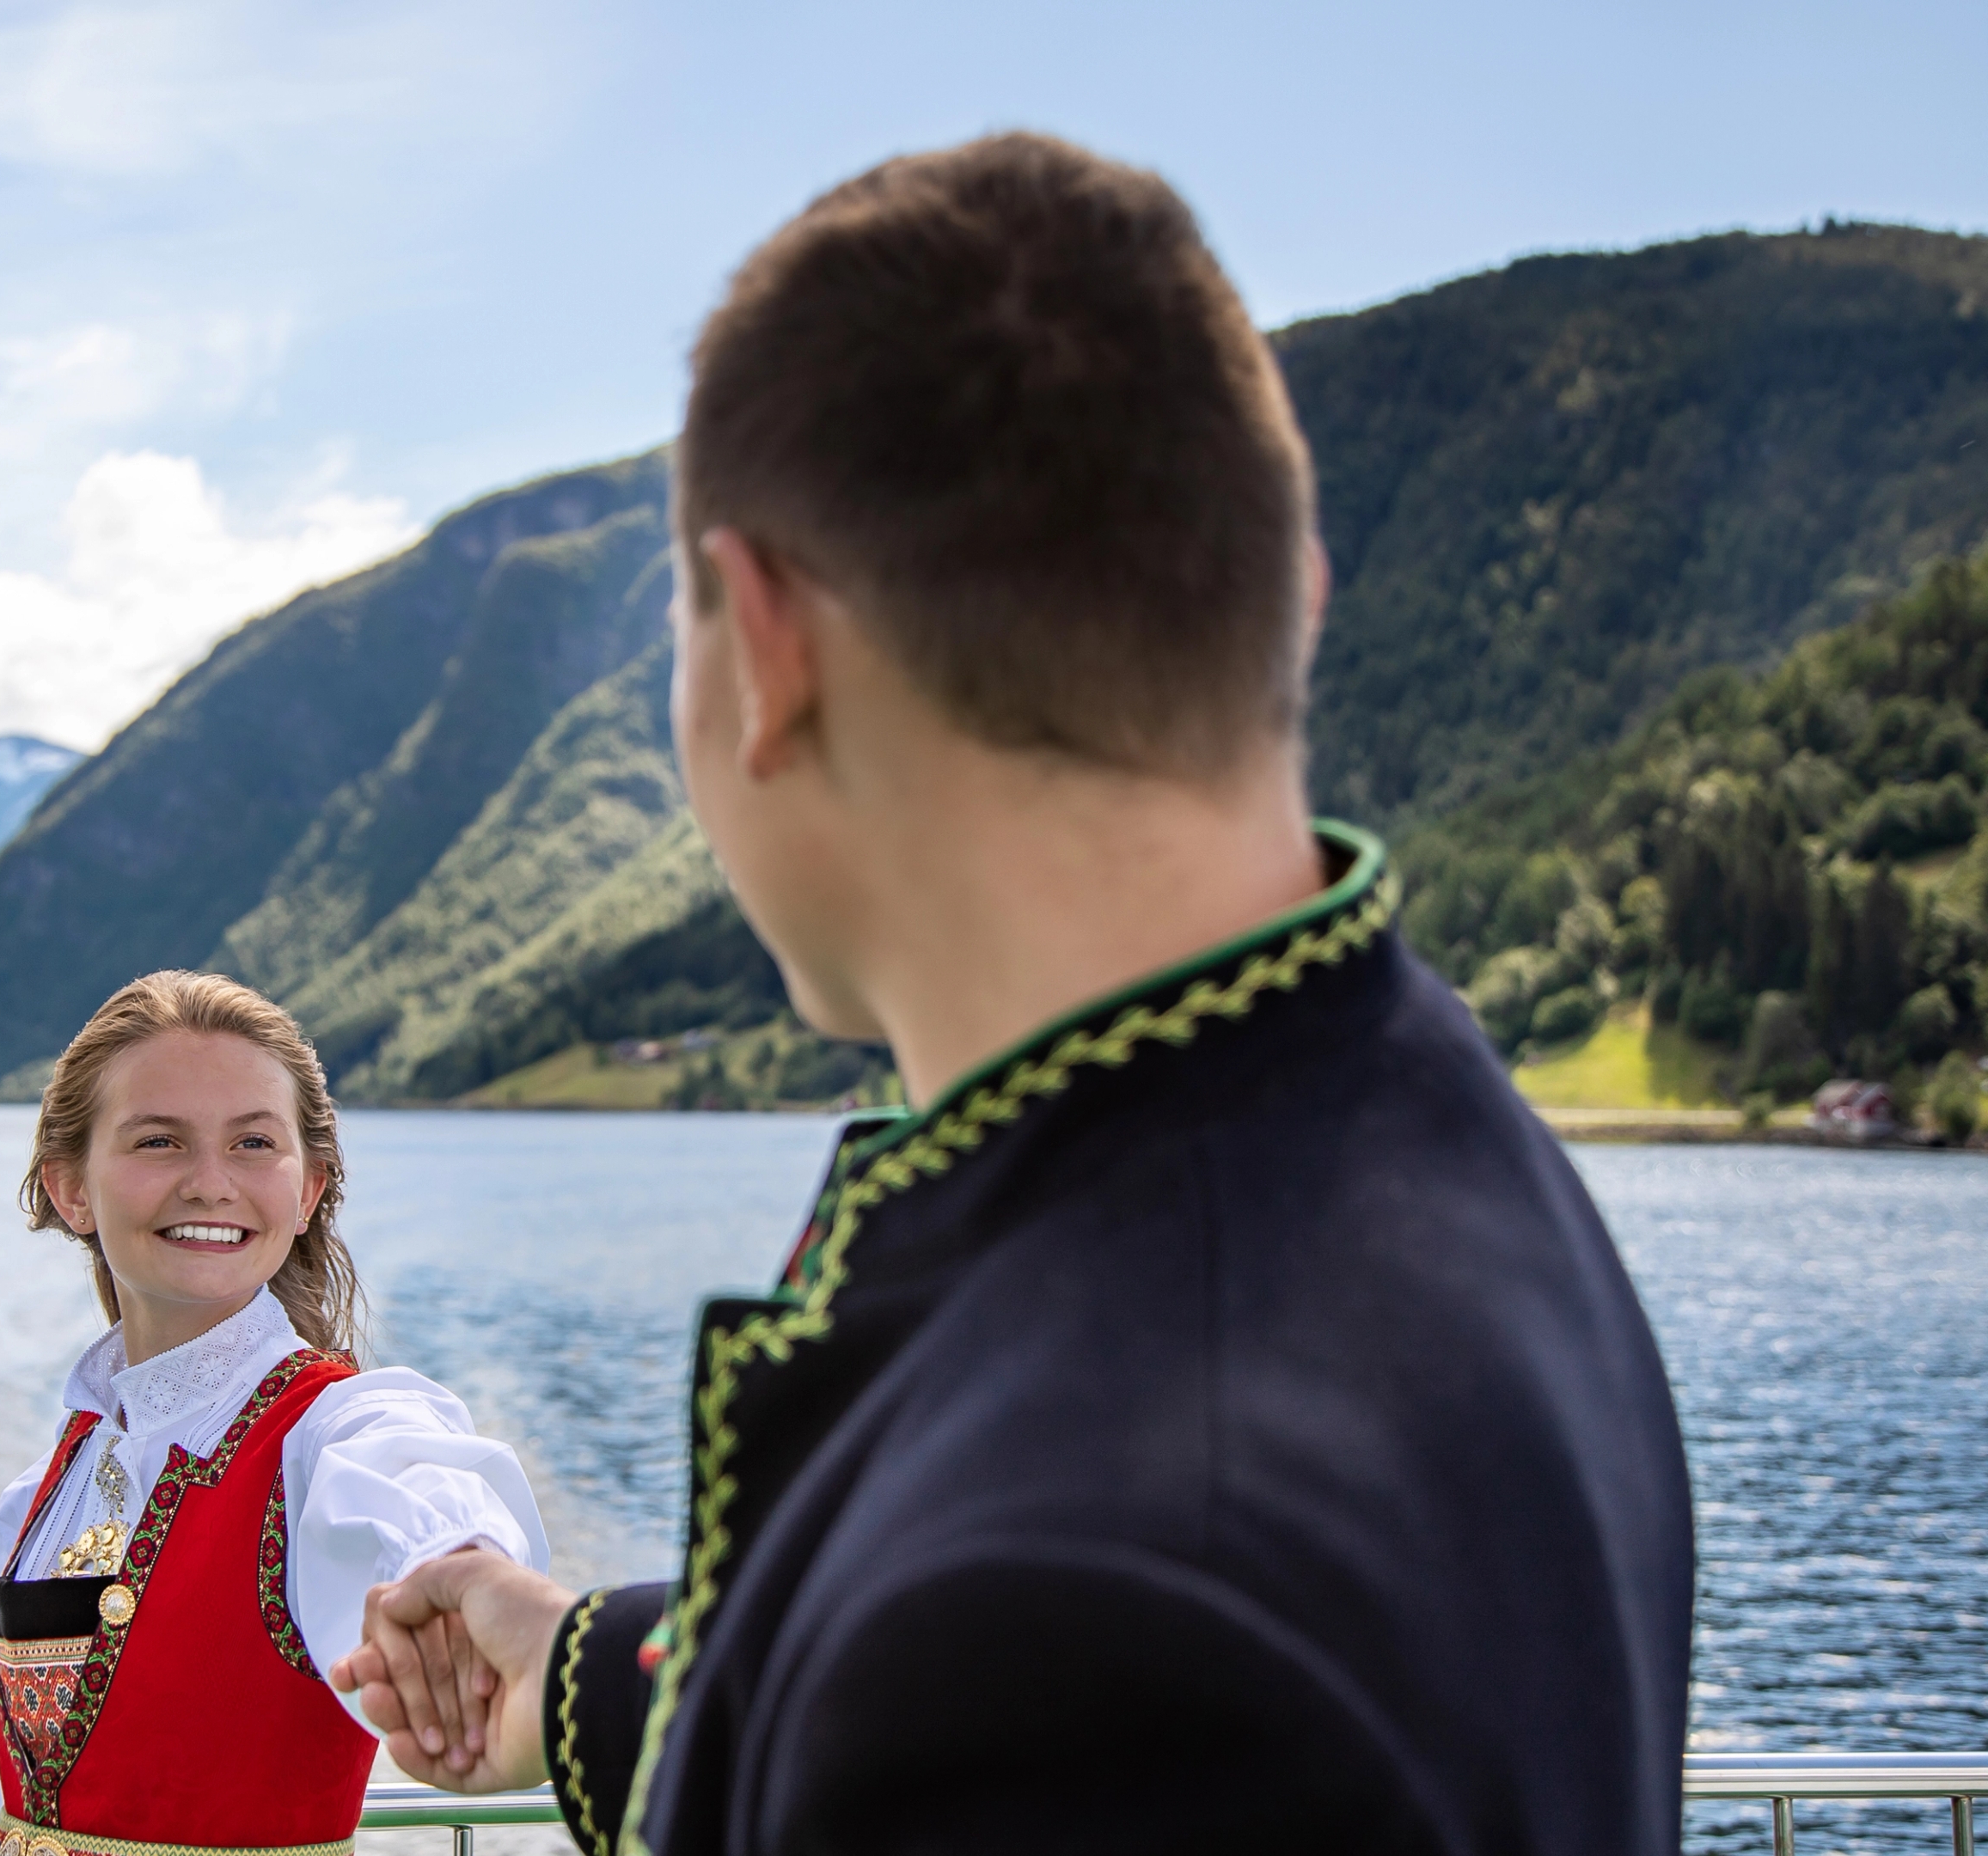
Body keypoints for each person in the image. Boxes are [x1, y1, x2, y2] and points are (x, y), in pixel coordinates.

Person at [332, 132, 1695, 1855]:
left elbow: (1018, 1643)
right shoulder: (1419, 1118)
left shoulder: (1062, 1609)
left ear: (765, 651)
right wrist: (589, 1676)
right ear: (1297, 599)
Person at [0, 970, 548, 1856]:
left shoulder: (332, 1437)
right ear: (72, 1190)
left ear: (309, 1188)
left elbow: (418, 1500)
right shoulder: (60, 1479)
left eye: (252, 1144)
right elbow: (55, 1751)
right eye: (159, 1141)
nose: (210, 1183)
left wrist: (479, 1592)